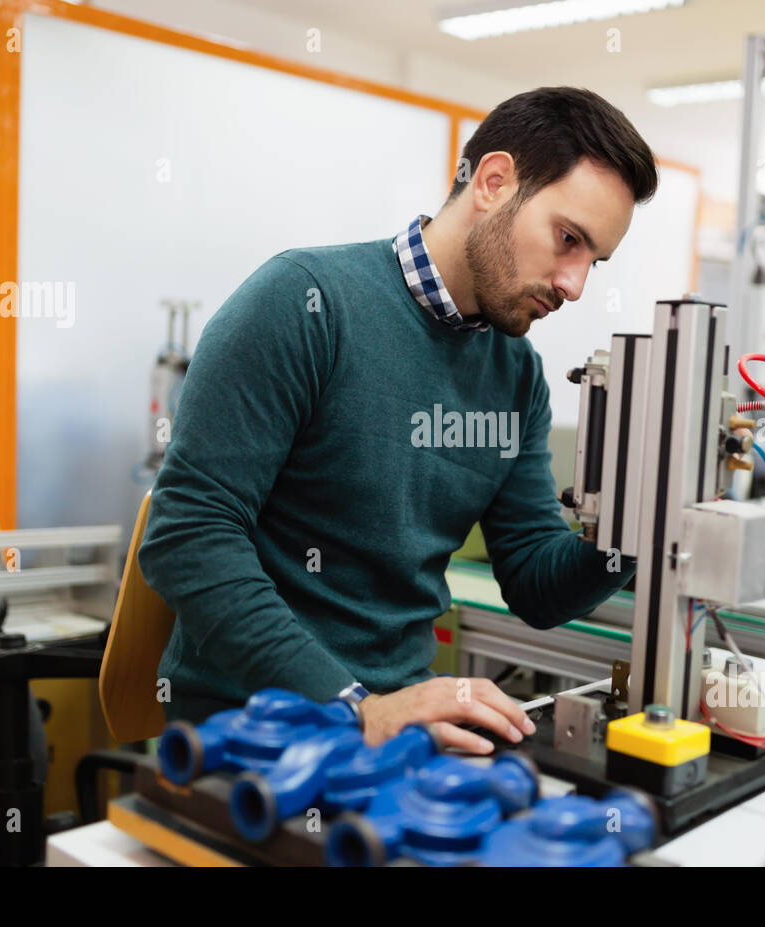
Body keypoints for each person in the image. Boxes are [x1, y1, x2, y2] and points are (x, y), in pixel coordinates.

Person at [140, 87, 658, 754]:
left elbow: (535, 581)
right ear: (494, 183)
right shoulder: (305, 302)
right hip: (253, 721)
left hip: (403, 727)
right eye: (568, 240)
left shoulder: (516, 375)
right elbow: (188, 534)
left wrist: (637, 516)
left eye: (594, 260)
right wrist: (355, 707)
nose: (575, 284)